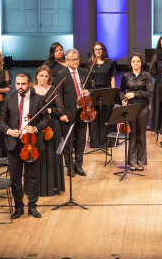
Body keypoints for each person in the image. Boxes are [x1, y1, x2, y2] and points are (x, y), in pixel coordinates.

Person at [0, 72, 48, 219]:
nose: (20, 87)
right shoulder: (9, 98)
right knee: (15, 178)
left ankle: (32, 206)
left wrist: (35, 128)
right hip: (14, 143)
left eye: (23, 84)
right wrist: (8, 131)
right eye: (17, 84)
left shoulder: (39, 99)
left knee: (33, 177)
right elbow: (2, 121)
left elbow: (46, 120)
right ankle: (18, 207)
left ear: (29, 84)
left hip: (32, 143)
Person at [31, 65, 65, 196]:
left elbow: (60, 110)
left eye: (46, 76)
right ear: (36, 76)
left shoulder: (53, 90)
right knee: (38, 155)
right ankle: (37, 187)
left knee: (51, 155)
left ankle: (51, 187)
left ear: (49, 78)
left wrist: (49, 110)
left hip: (51, 126)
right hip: (36, 127)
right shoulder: (31, 90)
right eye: (41, 75)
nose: (43, 78)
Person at [119, 52, 153, 171]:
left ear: (141, 63)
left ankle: (141, 161)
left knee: (141, 135)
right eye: (133, 61)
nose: (136, 63)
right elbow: (121, 91)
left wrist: (134, 94)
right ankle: (132, 162)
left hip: (143, 107)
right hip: (130, 108)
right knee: (132, 134)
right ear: (130, 63)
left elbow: (149, 92)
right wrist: (123, 99)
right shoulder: (126, 76)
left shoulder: (146, 76)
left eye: (138, 61)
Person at [59, 49, 89, 177]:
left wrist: (89, 92)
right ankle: (70, 167)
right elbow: (58, 96)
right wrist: (62, 113)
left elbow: (90, 88)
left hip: (83, 112)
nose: (76, 61)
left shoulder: (84, 72)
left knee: (81, 141)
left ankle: (78, 166)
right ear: (66, 60)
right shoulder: (61, 75)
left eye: (77, 59)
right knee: (68, 142)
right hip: (68, 113)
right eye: (73, 59)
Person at [85, 41, 117, 149]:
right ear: (93, 51)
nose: (98, 51)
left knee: (107, 116)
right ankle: (95, 142)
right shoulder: (90, 64)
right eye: (95, 49)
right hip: (94, 92)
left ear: (103, 50)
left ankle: (108, 142)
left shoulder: (109, 63)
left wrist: (113, 93)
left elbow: (112, 78)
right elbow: (87, 79)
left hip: (106, 90)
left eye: (99, 49)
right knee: (95, 117)